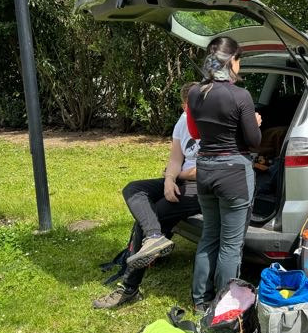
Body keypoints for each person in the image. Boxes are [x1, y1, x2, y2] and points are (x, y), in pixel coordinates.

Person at [92, 82, 201, 309]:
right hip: (180, 179)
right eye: (191, 105)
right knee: (133, 188)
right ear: (184, 106)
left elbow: (208, 170)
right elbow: (175, 159)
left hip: (200, 187)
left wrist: (175, 175)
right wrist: (169, 180)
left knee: (154, 213)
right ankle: (154, 237)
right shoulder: (183, 121)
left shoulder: (214, 123)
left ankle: (129, 288)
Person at [187, 37, 262, 314]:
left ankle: (200, 301)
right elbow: (254, 142)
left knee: (209, 235)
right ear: (231, 61)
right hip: (234, 174)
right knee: (231, 244)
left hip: (205, 169)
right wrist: (255, 122)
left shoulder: (195, 93)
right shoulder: (241, 96)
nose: (239, 65)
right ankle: (224, 305)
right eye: (239, 60)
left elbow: (195, 133)